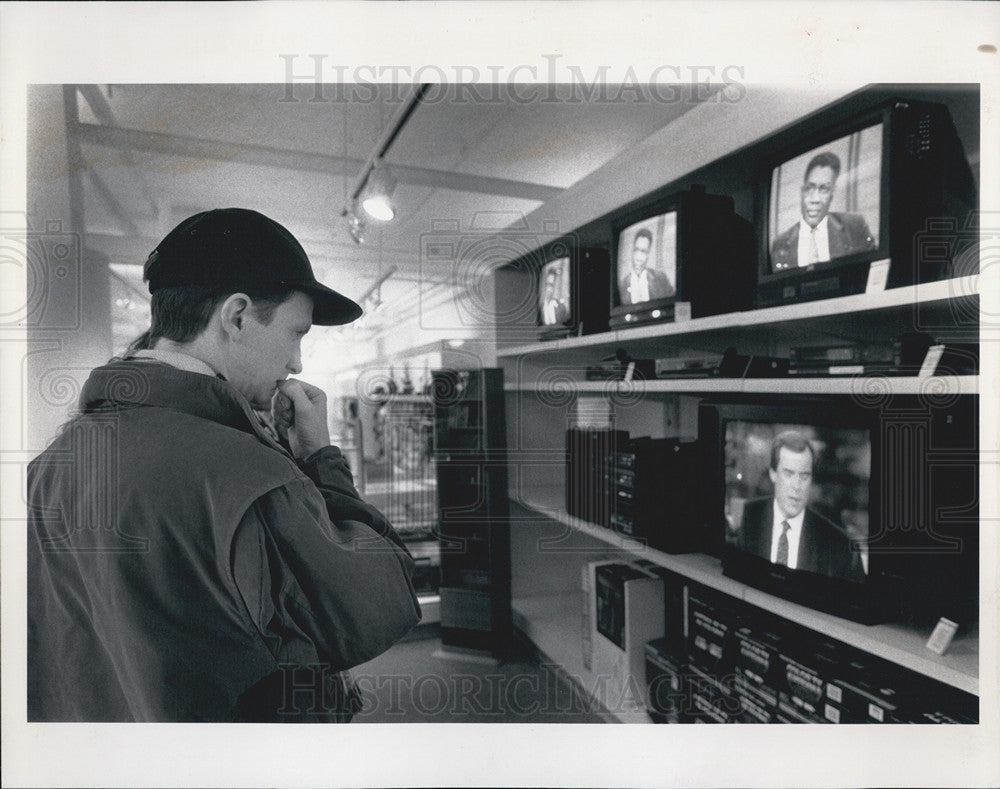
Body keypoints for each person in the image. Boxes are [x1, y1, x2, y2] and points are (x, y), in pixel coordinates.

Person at [26, 208, 421, 722]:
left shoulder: (45, 469)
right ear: (236, 317)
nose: (297, 363)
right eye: (296, 333)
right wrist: (321, 461)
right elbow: (379, 605)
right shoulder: (252, 477)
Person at [738, 430, 865, 582]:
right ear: (773, 474)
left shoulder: (839, 545)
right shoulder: (751, 514)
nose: (796, 486)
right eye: (789, 473)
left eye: (804, 476)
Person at [770, 151, 877, 270]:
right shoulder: (780, 243)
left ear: (832, 194)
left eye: (824, 189)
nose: (814, 199)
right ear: (802, 191)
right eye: (809, 188)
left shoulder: (855, 225)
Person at [619, 227, 674, 305]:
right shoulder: (622, 286)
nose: (638, 258)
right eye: (636, 250)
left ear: (648, 254)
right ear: (632, 252)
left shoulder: (661, 279)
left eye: (643, 252)